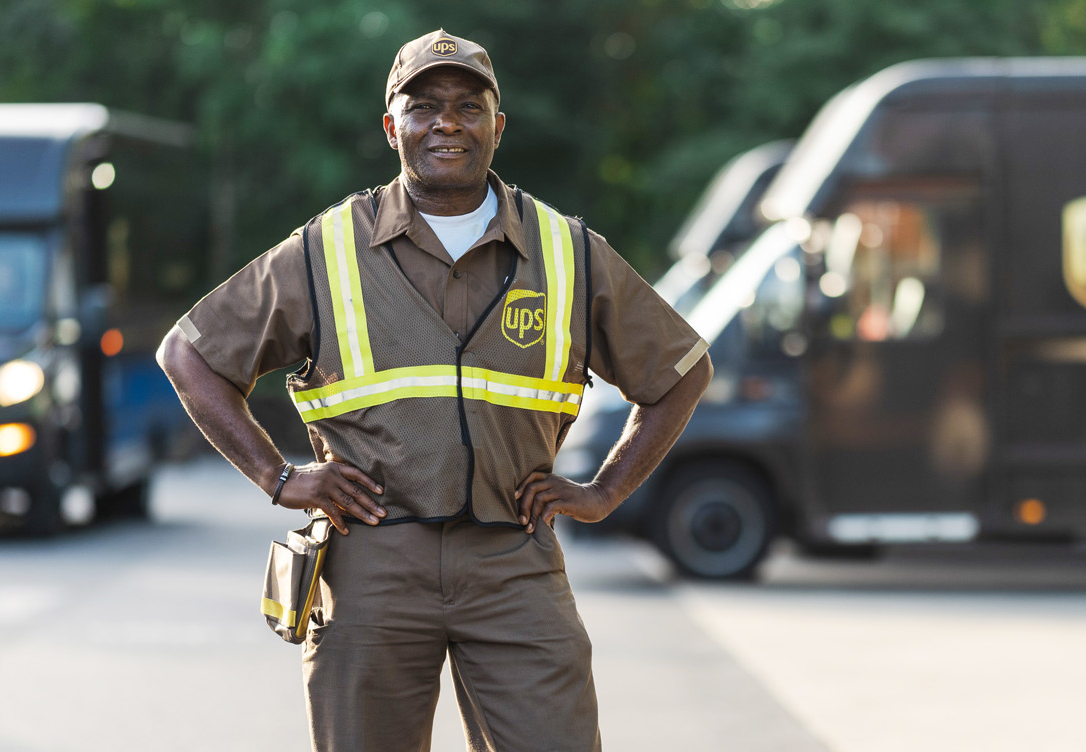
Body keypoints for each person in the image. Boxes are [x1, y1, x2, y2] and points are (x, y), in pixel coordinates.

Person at [157, 29, 711, 752]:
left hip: (515, 562)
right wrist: (278, 475)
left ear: (497, 127)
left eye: (467, 106)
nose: (446, 122)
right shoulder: (325, 250)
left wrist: (605, 491)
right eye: (423, 106)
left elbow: (681, 370)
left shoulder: (567, 251)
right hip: (370, 563)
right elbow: (189, 355)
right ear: (393, 127)